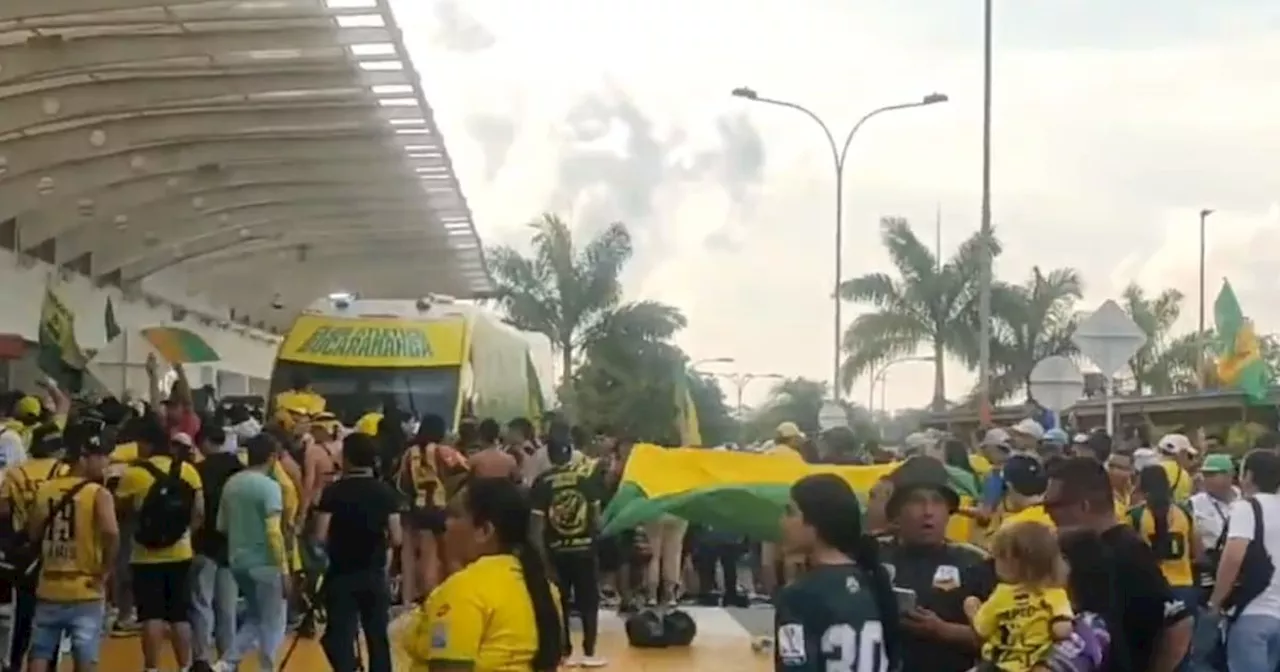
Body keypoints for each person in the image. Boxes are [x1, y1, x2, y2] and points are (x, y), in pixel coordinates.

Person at [1044, 457, 1192, 672]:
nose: (1047, 513)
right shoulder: (1072, 551)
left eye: (1052, 505)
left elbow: (1179, 623)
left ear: (1083, 506)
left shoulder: (1127, 551)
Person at [403, 477, 563, 672]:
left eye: (455, 515)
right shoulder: (544, 589)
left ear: (484, 530)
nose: (445, 524)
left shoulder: (463, 591)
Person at [775, 473, 901, 671]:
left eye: (791, 512)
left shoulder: (799, 595)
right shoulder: (873, 579)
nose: (782, 521)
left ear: (816, 521)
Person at [877, 456, 992, 672]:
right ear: (897, 511)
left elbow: (1004, 640)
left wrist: (942, 630)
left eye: (937, 501)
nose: (928, 511)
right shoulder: (873, 558)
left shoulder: (975, 562)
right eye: (916, 501)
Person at [24, 419, 118, 672]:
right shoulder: (98, 494)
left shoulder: (45, 490)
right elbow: (111, 532)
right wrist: (105, 572)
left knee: (40, 652)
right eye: (101, 457)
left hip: (49, 585)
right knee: (85, 654)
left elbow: (33, 533)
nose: (106, 463)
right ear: (85, 458)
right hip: (85, 586)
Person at [115, 419, 204, 672]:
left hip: (145, 554)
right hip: (181, 553)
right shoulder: (187, 470)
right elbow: (199, 513)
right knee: (179, 615)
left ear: (147, 443)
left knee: (151, 616)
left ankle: (152, 667)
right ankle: (184, 666)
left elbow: (120, 510)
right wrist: (183, 535)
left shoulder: (134, 474)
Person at [315, 432, 404, 672]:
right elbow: (397, 537)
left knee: (339, 637)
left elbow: (320, 535)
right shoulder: (385, 492)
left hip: (341, 574)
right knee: (377, 637)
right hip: (374, 573)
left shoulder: (333, 491)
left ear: (347, 458)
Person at [530, 421, 606, 667]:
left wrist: (542, 560)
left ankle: (565, 650)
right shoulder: (587, 478)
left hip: (555, 552)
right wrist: (594, 543)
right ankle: (590, 651)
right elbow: (597, 519)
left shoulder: (542, 482)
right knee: (589, 602)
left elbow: (535, 529)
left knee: (559, 602)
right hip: (584, 550)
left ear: (549, 455)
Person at [213, 433, 289, 672]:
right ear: (272, 457)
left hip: (238, 561)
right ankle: (267, 668)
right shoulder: (270, 487)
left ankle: (227, 662)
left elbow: (221, 526)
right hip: (266, 563)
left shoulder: (232, 484)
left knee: (255, 617)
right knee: (273, 621)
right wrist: (284, 569)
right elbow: (274, 533)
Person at [0, 423, 72, 670]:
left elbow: (4, 511)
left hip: (24, 554)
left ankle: (14, 663)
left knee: (22, 614)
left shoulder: (15, 474)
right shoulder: (63, 471)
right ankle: (48, 663)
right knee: (53, 615)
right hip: (58, 551)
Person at [964, 521, 1073, 672]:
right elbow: (1062, 629)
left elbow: (982, 629)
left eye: (999, 558)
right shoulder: (1054, 593)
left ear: (1015, 562)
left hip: (1000, 664)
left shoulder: (1001, 595)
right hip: (1037, 662)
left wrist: (972, 610)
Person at [1206, 449, 1280, 672]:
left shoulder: (1247, 508)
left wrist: (1216, 600)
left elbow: (1233, 555)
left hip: (1252, 610)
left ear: (1248, 475)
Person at [190, 424, 243, 671]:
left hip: (203, 544)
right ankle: (228, 660)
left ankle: (201, 658)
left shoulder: (196, 470)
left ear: (205, 443)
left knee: (201, 603)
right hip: (233, 546)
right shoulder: (239, 470)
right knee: (227, 607)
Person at [1128, 465, 1202, 616]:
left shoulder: (1135, 515)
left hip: (1148, 588)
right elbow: (1198, 553)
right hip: (1184, 588)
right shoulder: (1184, 513)